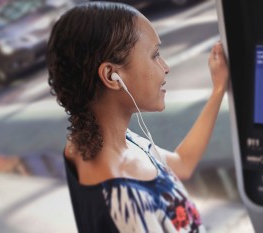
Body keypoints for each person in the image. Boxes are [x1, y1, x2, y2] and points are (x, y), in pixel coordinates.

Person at [46, 1, 229, 233]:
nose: (165, 67)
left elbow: (182, 164)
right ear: (112, 76)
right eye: (155, 55)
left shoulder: (89, 144)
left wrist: (218, 89)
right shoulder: (129, 208)